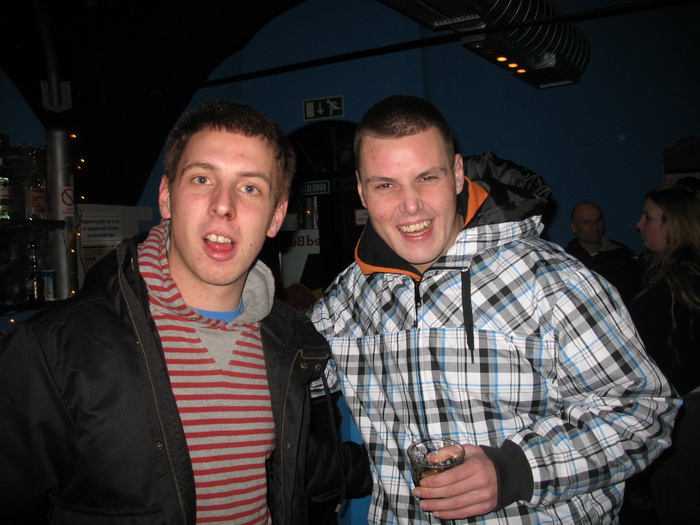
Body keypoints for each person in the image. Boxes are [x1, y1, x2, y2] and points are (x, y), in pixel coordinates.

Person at [309, 94, 679, 524]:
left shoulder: (551, 280)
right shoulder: (350, 295)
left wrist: (515, 471)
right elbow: (290, 376)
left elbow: (644, 412)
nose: (411, 206)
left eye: (427, 177)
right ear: (361, 190)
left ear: (457, 174)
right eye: (385, 185)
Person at [0, 100, 371, 524]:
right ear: (166, 196)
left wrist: (403, 467)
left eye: (250, 188)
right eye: (202, 179)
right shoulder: (51, 351)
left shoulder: (288, 341)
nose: (223, 205)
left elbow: (297, 466)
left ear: (276, 216)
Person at [624, 183, 700, 524]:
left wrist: (662, 393)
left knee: (681, 504)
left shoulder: (687, 277)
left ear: (673, 224)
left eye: (648, 217)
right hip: (673, 405)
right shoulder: (660, 270)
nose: (639, 224)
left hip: (687, 409)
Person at [565, 200, 636, 302]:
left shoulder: (621, 255)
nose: (595, 227)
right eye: (587, 222)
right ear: (574, 227)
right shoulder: (567, 260)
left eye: (598, 220)